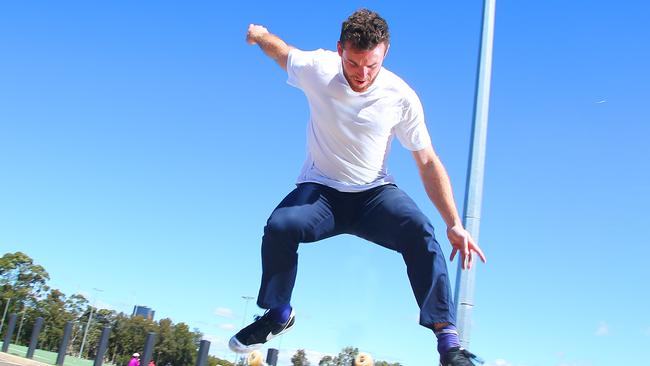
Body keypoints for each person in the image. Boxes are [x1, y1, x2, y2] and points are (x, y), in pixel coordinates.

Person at [229, 8, 487, 366]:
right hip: (321, 192)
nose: (362, 74)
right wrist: (258, 35)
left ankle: (448, 343)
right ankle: (277, 314)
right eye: (353, 64)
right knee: (280, 227)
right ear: (339, 50)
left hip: (374, 195)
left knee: (421, 231)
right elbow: (281, 51)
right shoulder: (317, 68)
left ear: (385, 54)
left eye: (372, 65)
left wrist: (454, 222)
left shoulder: (401, 96)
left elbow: (427, 161)